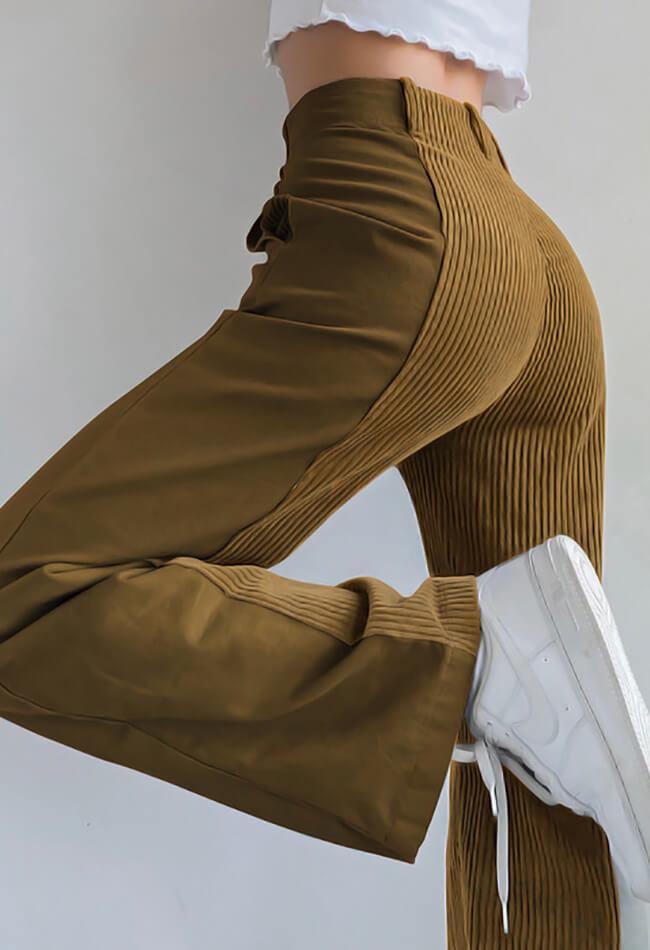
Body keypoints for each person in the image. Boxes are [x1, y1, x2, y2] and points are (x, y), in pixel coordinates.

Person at [0, 4, 648, 948]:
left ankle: (478, 661)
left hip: (397, 213)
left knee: (24, 591)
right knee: (547, 783)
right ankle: (500, 676)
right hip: (516, 247)